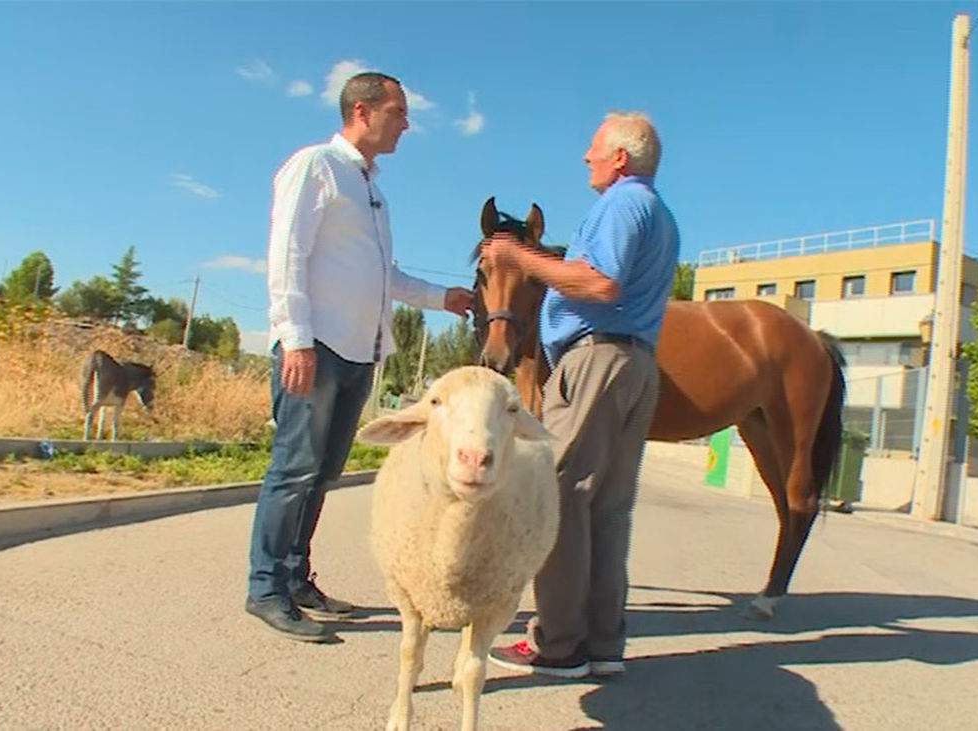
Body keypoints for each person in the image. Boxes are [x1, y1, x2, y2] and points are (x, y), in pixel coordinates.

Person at [246, 71, 476, 643]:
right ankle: (265, 588)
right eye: (399, 111)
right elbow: (287, 253)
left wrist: (439, 297)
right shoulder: (316, 167)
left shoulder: (370, 188)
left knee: (321, 474)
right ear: (363, 111)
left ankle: (297, 579)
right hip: (315, 346)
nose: (406, 123)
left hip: (357, 354)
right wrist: (293, 334)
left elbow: (382, 276)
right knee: (293, 469)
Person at [482, 111, 680, 677]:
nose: (585, 157)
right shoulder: (660, 214)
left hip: (595, 359)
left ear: (620, 157)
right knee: (609, 510)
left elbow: (599, 283)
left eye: (593, 148)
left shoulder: (621, 204)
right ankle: (601, 642)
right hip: (636, 362)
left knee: (562, 495)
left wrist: (519, 258)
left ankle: (559, 643)